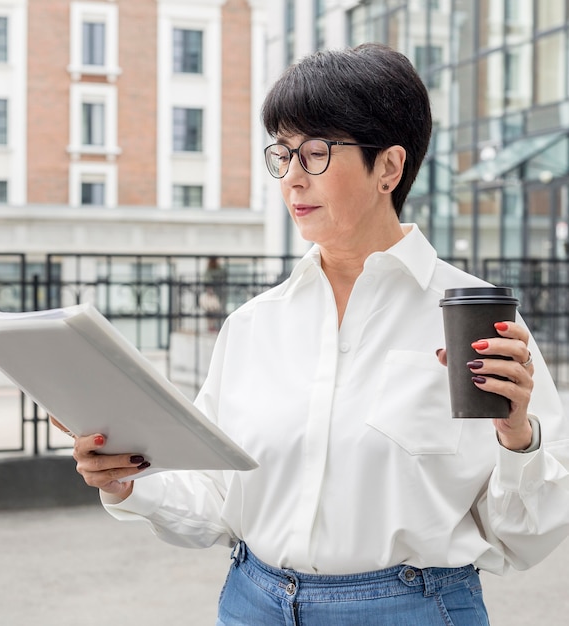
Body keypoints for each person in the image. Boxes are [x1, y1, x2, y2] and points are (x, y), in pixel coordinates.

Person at [53, 44, 569, 624]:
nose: (292, 178)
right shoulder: (253, 326)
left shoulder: (474, 321)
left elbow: (528, 535)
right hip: (253, 602)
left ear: (389, 168)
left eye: (316, 154)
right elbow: (217, 502)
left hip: (413, 610)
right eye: (282, 154)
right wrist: (125, 481)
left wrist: (517, 437)